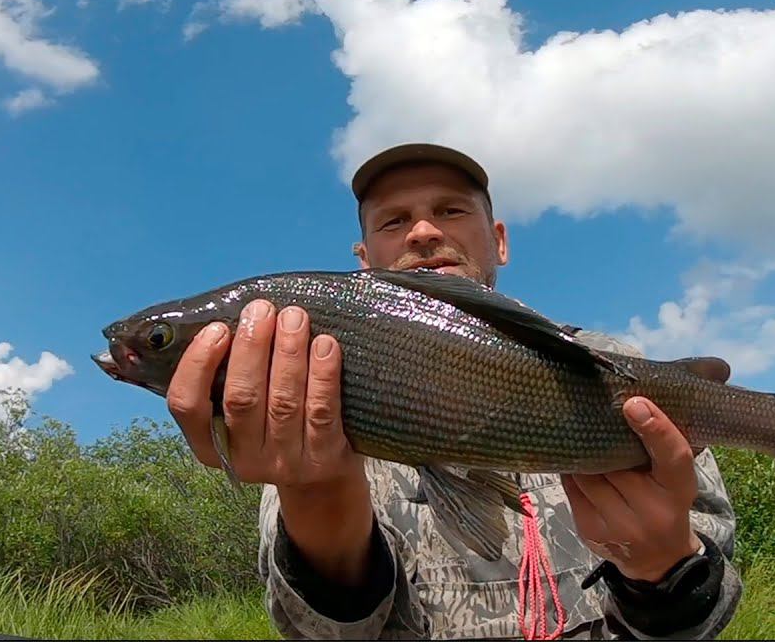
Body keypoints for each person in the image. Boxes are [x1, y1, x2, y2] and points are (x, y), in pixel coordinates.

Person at [164, 143, 744, 639]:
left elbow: (707, 606)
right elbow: (323, 630)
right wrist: (318, 496)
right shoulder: (314, 387)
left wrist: (661, 567)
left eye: (450, 210)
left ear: (499, 241)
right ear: (364, 264)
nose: (423, 231)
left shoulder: (621, 365)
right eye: (392, 222)